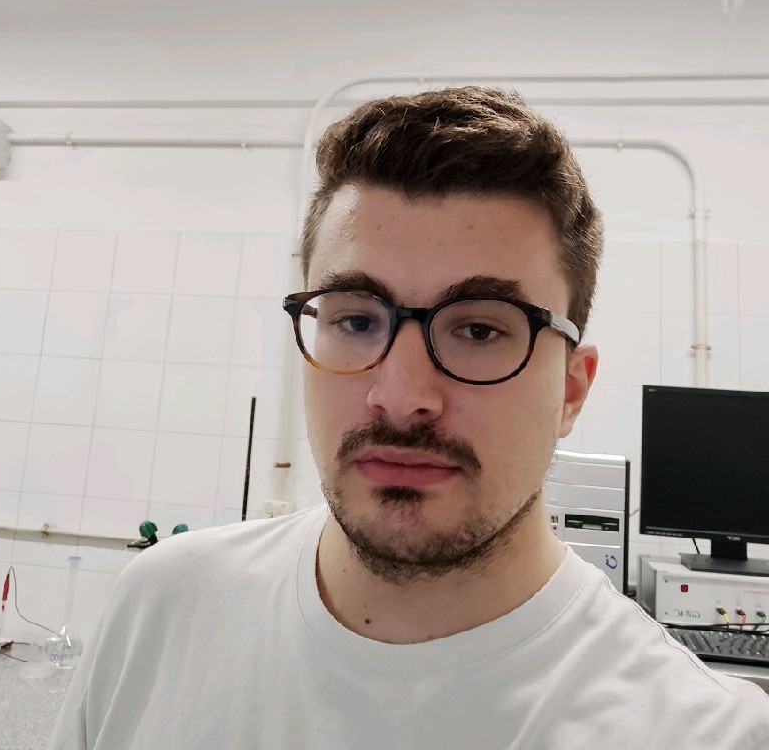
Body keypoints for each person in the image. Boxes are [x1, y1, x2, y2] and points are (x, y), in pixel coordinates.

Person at [49, 87, 769, 749]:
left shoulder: (699, 734)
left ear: (571, 392)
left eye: (479, 329)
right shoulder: (162, 608)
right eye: (357, 320)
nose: (399, 396)